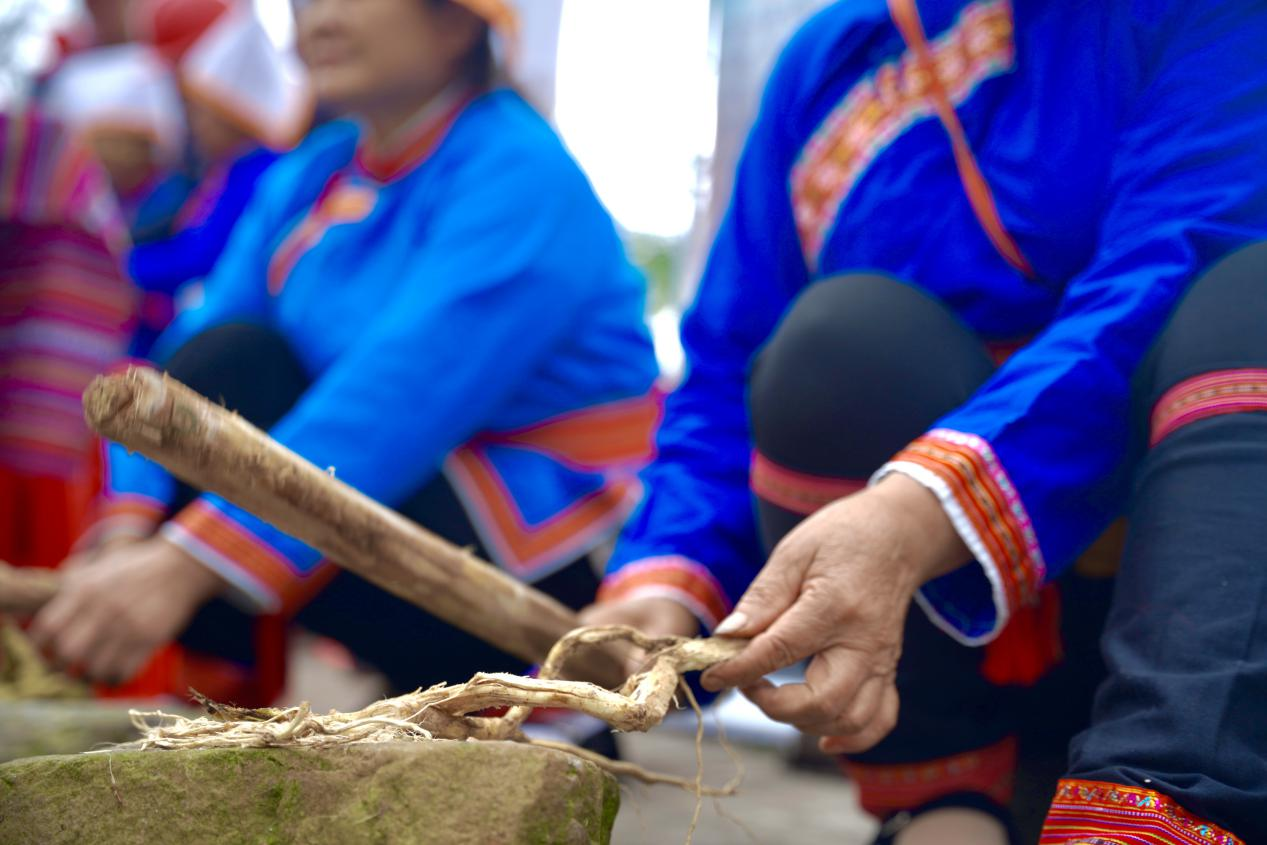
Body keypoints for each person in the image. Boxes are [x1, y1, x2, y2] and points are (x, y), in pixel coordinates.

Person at [584, 1, 1267, 843]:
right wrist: (662, 576)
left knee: (1252, 299)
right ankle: (939, 796)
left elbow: (1173, 263)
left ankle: (1165, 801)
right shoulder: (836, 55)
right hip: (937, 640)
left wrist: (916, 509)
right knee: (840, 340)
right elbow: (730, 357)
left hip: (1192, 602)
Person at [32, 0, 659, 711]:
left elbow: (397, 398)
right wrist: (127, 527)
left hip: (536, 544)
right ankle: (214, 699)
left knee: (245, 383)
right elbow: (193, 356)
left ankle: (534, 701)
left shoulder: (521, 172)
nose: (318, 18)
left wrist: (184, 561)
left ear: (456, 22)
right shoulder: (314, 174)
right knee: (225, 363)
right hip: (366, 485)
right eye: (302, 1)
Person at [126, 0, 312, 355]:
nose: (194, 126)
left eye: (204, 115)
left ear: (234, 118)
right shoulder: (226, 171)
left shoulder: (259, 172)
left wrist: (124, 265)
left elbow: (200, 254)